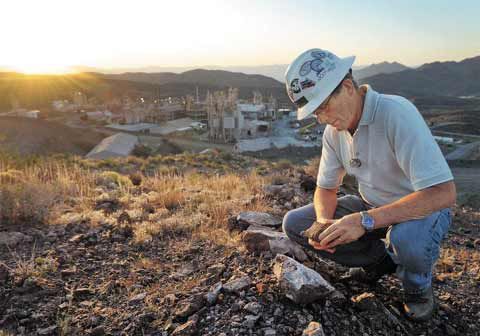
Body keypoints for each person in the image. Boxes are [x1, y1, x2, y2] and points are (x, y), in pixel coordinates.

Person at [282, 48, 456, 321]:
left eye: (324, 106)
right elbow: (326, 188)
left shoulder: (396, 113)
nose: (323, 118)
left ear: (348, 87)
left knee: (406, 239)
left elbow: (442, 193)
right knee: (295, 224)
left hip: (420, 210)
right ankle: (381, 262)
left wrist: (363, 221)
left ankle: (417, 288)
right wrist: (325, 222)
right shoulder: (334, 132)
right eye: (316, 112)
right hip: (371, 206)